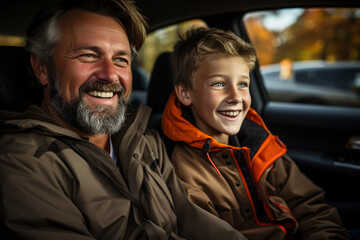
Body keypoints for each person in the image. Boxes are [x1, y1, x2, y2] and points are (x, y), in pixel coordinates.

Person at [0, 1, 248, 239]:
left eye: (121, 59)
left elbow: (187, 215)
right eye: (88, 55)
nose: (110, 74)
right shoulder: (22, 163)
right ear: (42, 68)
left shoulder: (143, 139)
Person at [161, 27, 350, 240]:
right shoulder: (184, 172)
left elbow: (310, 207)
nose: (235, 96)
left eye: (243, 84)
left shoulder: (260, 144)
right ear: (185, 94)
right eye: (219, 84)